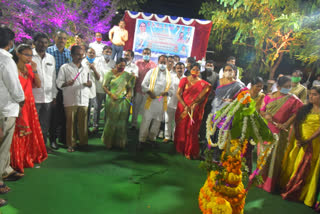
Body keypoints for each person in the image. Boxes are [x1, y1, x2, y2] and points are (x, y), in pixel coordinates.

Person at [259, 76, 303, 193]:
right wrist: (266, 115)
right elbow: (262, 111)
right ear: (278, 87)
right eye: (286, 87)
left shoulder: (293, 99)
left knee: (275, 158)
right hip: (267, 131)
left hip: (280, 133)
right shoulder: (269, 97)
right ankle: (260, 180)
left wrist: (286, 124)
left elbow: (296, 113)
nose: (288, 89)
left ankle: (270, 185)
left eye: (290, 87)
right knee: (263, 156)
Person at [280, 86, 320, 209]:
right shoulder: (305, 109)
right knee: (294, 162)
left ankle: (302, 195)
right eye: (310, 94)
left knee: (308, 167)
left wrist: (308, 140)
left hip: (314, 143)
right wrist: (298, 138)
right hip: (299, 141)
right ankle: (288, 187)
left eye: (314, 94)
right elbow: (297, 123)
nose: (311, 96)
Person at [11, 44, 47, 173]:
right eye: (27, 55)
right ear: (18, 54)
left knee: (30, 131)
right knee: (17, 132)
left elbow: (38, 85)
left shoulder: (29, 67)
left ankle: (28, 156)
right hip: (18, 104)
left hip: (30, 103)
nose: (30, 58)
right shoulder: (13, 69)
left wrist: (35, 70)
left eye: (31, 55)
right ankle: (17, 159)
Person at [0, 27, 25, 206]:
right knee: (2, 147)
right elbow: (14, 86)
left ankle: (2, 179)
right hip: (5, 109)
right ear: (10, 43)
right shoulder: (6, 60)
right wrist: (21, 100)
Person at [56, 46, 92, 152]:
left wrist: (89, 84)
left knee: (83, 123)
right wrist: (67, 83)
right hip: (70, 99)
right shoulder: (65, 67)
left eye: (82, 55)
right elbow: (58, 83)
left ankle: (83, 142)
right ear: (71, 55)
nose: (80, 57)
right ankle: (71, 144)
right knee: (70, 123)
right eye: (77, 54)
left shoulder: (86, 68)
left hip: (84, 99)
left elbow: (90, 82)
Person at [174, 63, 211, 159]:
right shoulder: (184, 80)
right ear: (190, 69)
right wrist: (184, 105)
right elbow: (178, 94)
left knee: (191, 129)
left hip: (194, 109)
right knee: (181, 128)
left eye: (197, 70)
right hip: (183, 108)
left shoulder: (204, 84)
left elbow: (202, 98)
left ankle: (189, 150)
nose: (195, 71)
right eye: (193, 69)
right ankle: (180, 148)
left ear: (200, 71)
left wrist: (195, 104)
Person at [210, 64, 246, 160]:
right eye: (226, 70)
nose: (228, 72)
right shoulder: (218, 82)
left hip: (227, 113)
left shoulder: (239, 85)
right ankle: (209, 153)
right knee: (212, 133)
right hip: (214, 110)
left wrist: (233, 101)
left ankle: (217, 156)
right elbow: (213, 93)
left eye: (231, 70)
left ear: (235, 72)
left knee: (221, 135)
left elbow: (243, 100)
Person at [138, 55, 172, 149]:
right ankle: (142, 140)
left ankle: (152, 139)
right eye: (161, 62)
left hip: (161, 102)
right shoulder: (151, 72)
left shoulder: (169, 75)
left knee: (157, 122)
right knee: (146, 121)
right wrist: (149, 92)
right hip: (150, 100)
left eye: (164, 63)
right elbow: (143, 84)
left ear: (167, 63)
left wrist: (167, 92)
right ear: (158, 62)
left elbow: (172, 90)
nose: (163, 64)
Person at [101, 58, 135, 149]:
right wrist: (110, 94)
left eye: (124, 66)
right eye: (120, 65)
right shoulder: (109, 73)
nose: (122, 67)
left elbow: (130, 88)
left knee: (122, 121)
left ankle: (119, 142)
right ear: (116, 64)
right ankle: (109, 141)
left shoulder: (127, 75)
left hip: (123, 101)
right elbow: (104, 86)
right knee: (111, 120)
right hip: (112, 100)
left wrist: (129, 95)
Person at [32, 32, 57, 152]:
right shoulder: (28, 56)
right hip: (33, 97)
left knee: (45, 124)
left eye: (45, 42)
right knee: (32, 125)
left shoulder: (51, 58)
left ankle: (43, 146)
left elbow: (53, 77)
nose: (43, 44)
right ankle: (32, 147)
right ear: (35, 43)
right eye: (40, 42)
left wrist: (54, 95)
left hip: (47, 97)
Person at [47, 29, 72, 149]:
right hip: (52, 87)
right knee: (54, 115)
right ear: (54, 37)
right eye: (59, 38)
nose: (62, 40)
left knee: (63, 114)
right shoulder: (49, 51)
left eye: (64, 38)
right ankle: (52, 139)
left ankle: (63, 138)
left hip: (66, 88)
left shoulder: (68, 53)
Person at [131, 48, 157, 129]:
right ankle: (133, 124)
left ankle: (143, 125)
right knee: (135, 107)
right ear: (142, 54)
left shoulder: (154, 65)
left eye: (148, 53)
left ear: (150, 54)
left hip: (147, 91)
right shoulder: (137, 63)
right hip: (138, 89)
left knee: (145, 109)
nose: (146, 55)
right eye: (145, 53)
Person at [244, 76, 265, 174]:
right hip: (241, 123)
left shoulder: (262, 97)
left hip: (253, 125)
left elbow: (262, 112)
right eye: (257, 86)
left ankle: (246, 169)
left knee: (248, 147)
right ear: (251, 85)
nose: (259, 89)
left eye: (261, 87)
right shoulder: (244, 94)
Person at [93, 46, 115, 132]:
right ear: (103, 52)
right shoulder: (97, 60)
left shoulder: (113, 62)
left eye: (110, 52)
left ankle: (106, 125)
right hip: (99, 87)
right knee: (97, 107)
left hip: (109, 89)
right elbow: (96, 73)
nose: (108, 54)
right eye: (106, 52)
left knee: (108, 108)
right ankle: (95, 125)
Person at [163, 62, 185, 143]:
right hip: (170, 102)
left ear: (184, 69)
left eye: (181, 68)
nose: (180, 70)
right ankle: (167, 136)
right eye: (178, 68)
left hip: (181, 104)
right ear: (175, 69)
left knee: (177, 123)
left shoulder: (186, 79)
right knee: (168, 120)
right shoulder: (171, 77)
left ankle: (174, 137)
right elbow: (169, 89)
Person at [199, 60, 219, 143]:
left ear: (213, 67)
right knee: (198, 118)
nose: (209, 66)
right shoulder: (201, 74)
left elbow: (217, 88)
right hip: (200, 100)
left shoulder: (216, 76)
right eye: (208, 65)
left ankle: (203, 136)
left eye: (211, 65)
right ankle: (196, 134)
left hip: (210, 101)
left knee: (206, 119)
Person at [82, 48, 100, 129]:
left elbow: (98, 78)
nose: (91, 54)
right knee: (86, 111)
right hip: (83, 90)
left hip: (93, 91)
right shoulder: (82, 62)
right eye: (90, 53)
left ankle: (94, 125)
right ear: (86, 53)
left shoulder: (97, 63)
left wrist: (94, 69)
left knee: (95, 107)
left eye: (93, 53)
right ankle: (85, 127)